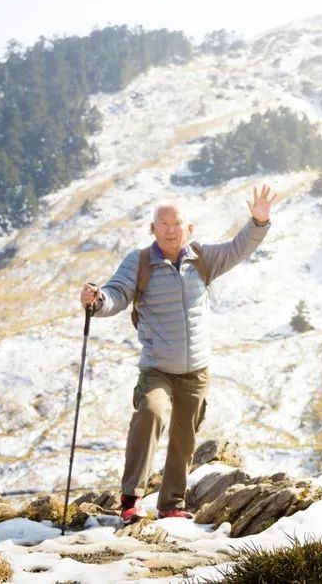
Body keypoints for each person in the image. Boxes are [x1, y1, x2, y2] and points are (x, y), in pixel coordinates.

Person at [79, 185, 277, 522]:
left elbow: (237, 248)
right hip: (157, 368)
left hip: (196, 371)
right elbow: (116, 293)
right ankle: (131, 500)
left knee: (185, 436)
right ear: (152, 229)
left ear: (189, 229)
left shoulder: (202, 259)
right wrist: (97, 302)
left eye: (177, 224)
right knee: (151, 412)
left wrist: (258, 222)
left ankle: (172, 504)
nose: (170, 230)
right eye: (163, 224)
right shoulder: (139, 262)